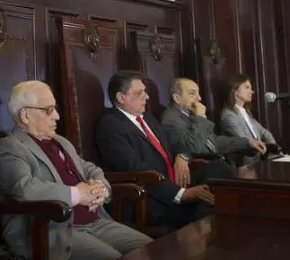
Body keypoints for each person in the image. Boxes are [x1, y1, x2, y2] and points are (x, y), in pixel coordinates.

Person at [0, 80, 152, 260]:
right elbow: (24, 188)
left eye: (55, 109)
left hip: (96, 221)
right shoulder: (9, 147)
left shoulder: (61, 141)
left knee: (152, 249)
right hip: (52, 233)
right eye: (48, 110)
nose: (57, 116)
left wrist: (100, 187)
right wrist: (77, 194)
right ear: (25, 115)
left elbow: (88, 168)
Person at [95, 71, 227, 227]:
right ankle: (200, 232)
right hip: (152, 196)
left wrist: (182, 156)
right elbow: (134, 169)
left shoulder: (147, 117)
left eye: (145, 91)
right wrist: (181, 194)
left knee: (220, 169)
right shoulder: (110, 126)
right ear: (121, 97)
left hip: (176, 180)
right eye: (139, 93)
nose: (147, 96)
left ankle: (200, 224)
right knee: (213, 203)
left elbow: (175, 144)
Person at [160, 77, 267, 162]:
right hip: (199, 167)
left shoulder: (189, 113)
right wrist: (200, 118)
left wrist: (248, 143)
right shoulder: (170, 119)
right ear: (177, 98)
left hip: (215, 160)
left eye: (198, 93)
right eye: (192, 93)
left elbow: (213, 141)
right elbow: (193, 147)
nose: (199, 98)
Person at [218, 74, 279, 166]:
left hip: (257, 162)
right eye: (247, 87)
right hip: (242, 166)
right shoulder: (228, 116)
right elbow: (244, 140)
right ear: (235, 91)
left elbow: (265, 133)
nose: (252, 91)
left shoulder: (246, 113)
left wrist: (275, 151)